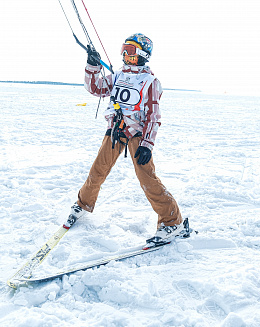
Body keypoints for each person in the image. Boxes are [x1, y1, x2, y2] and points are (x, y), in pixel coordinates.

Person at [64, 33, 188, 246]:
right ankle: (83, 205)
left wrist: (147, 144)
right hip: (115, 130)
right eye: (124, 49)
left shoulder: (151, 82)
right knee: (97, 171)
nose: (125, 55)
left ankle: (172, 222)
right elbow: (96, 88)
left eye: (130, 51)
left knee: (146, 178)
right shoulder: (117, 75)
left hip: (137, 135)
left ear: (142, 55)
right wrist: (92, 66)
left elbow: (153, 116)